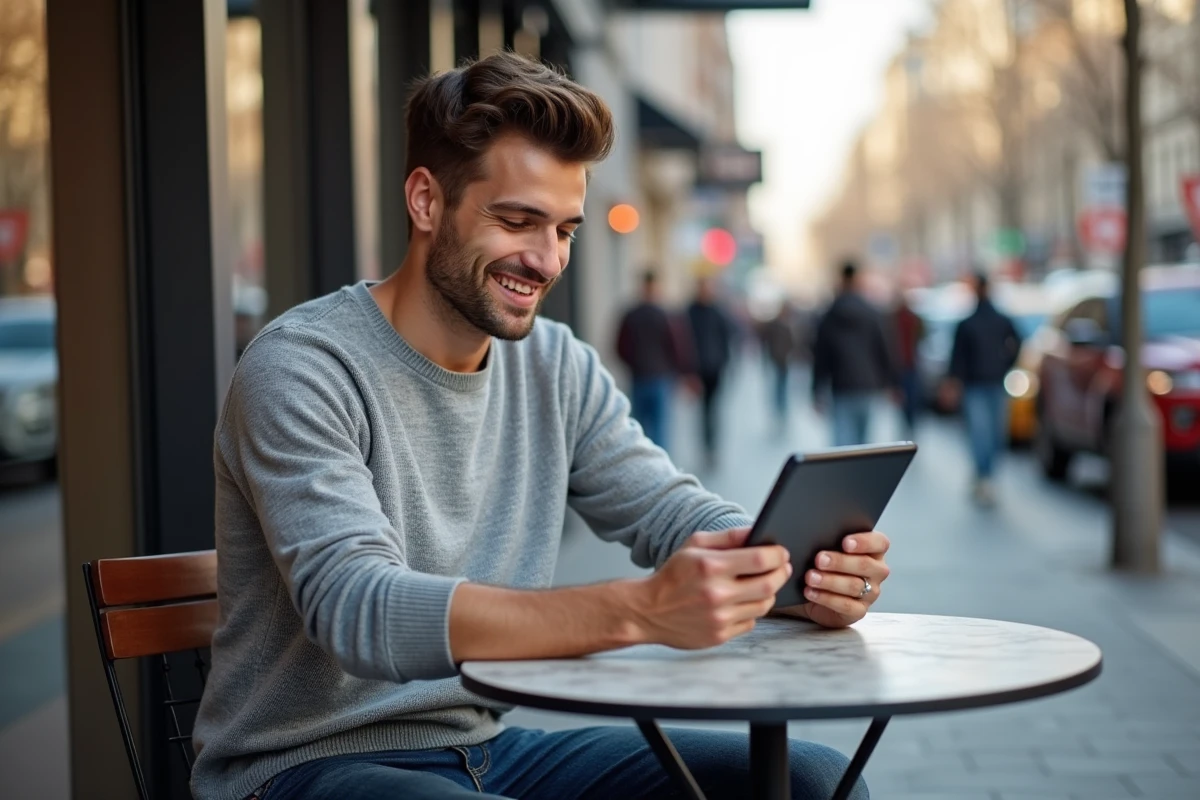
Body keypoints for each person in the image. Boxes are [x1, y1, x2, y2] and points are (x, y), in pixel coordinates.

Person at [190, 52, 883, 800]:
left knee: (809, 780)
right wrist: (643, 611)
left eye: (565, 230)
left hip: (487, 751)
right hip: (302, 766)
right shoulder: (303, 366)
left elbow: (667, 509)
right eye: (517, 221)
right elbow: (359, 609)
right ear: (426, 201)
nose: (546, 259)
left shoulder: (554, 364)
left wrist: (788, 567)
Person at [947, 272, 1022, 507]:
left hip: (982, 384)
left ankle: (985, 476)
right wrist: (1005, 365)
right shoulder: (993, 319)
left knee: (984, 434)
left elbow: (956, 358)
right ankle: (985, 476)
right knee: (989, 433)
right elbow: (1017, 343)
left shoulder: (972, 322)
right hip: (986, 384)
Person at [811, 261, 897, 447]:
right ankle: (862, 476)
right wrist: (891, 382)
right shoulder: (872, 312)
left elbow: (821, 355)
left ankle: (846, 476)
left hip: (842, 386)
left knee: (843, 444)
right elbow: (884, 348)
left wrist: (817, 390)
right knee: (865, 443)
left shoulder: (830, 314)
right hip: (869, 384)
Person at [616, 270, 686, 451]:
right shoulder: (664, 315)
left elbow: (620, 347)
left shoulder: (632, 314)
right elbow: (676, 347)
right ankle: (658, 470)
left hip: (643, 377)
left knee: (641, 428)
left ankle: (646, 466)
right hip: (656, 377)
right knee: (659, 429)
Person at [685, 276, 735, 466]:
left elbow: (725, 338)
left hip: (715, 368)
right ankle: (706, 446)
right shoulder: (690, 312)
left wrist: (725, 362)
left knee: (713, 409)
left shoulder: (717, 312)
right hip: (698, 370)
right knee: (703, 411)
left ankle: (713, 447)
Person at [892, 292, 925, 438]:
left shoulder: (909, 319)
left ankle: (908, 425)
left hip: (908, 365)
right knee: (907, 399)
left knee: (909, 400)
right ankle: (908, 425)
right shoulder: (897, 319)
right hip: (905, 365)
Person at [760, 301, 798, 428]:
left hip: (784, 360)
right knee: (779, 386)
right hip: (777, 359)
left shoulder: (786, 325)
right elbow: (767, 342)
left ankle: (782, 409)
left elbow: (791, 343)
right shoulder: (776, 325)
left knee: (782, 386)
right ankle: (779, 408)